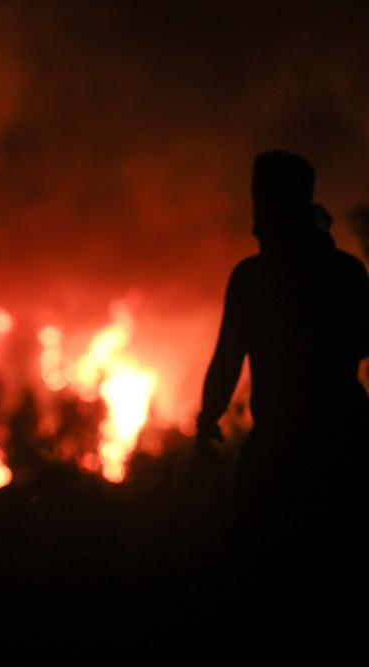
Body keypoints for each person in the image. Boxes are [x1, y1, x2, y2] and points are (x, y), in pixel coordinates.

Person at [196, 150, 368, 634]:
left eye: (265, 198)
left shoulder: (253, 278)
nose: (258, 212)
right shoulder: (345, 272)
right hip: (345, 440)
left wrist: (207, 421)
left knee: (268, 576)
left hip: (289, 450)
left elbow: (229, 356)